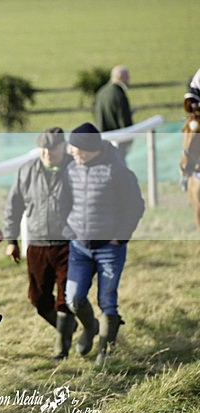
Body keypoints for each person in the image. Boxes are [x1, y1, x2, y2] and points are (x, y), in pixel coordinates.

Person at [61, 122, 145, 366]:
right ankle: (90, 327)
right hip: (79, 247)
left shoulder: (117, 170)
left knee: (107, 299)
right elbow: (62, 203)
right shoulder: (70, 169)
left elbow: (135, 206)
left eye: (76, 149)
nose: (72, 153)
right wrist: (68, 231)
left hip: (110, 247)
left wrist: (121, 236)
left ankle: (104, 353)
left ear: (90, 149)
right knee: (73, 298)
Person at [3, 127, 74, 359]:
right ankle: (68, 327)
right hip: (38, 244)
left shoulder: (76, 169)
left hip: (69, 244)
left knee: (66, 299)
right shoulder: (27, 172)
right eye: (43, 148)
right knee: (39, 300)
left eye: (52, 148)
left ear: (63, 147)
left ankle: (61, 349)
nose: (47, 153)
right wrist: (11, 239)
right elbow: (13, 206)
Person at [94, 65, 133, 158]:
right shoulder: (119, 94)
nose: (129, 80)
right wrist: (129, 139)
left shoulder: (102, 91)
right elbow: (124, 119)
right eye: (127, 76)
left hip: (102, 137)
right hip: (117, 139)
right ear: (120, 76)